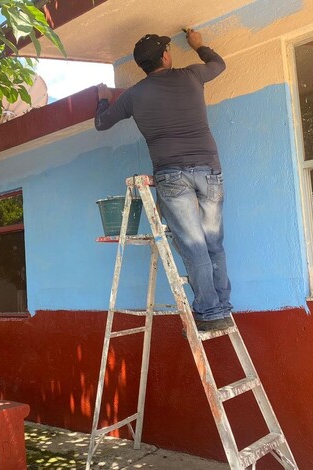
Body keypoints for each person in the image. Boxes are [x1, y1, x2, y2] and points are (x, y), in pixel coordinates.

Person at [94, 29, 233, 332]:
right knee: (213, 243)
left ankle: (211, 312)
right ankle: (219, 308)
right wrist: (198, 45)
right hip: (209, 169)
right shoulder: (192, 74)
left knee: (194, 246)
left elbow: (102, 123)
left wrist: (103, 99)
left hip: (171, 175)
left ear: (143, 65)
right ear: (166, 56)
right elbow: (219, 65)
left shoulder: (133, 95)